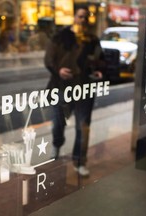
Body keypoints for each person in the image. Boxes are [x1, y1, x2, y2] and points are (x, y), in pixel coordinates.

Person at [44, 7, 105, 177]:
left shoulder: (92, 39)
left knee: (83, 126)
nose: (83, 20)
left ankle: (79, 161)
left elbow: (100, 59)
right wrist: (58, 70)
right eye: (80, 16)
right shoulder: (61, 36)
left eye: (86, 17)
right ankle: (57, 144)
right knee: (58, 123)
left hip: (84, 89)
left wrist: (99, 70)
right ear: (74, 17)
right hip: (62, 87)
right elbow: (49, 59)